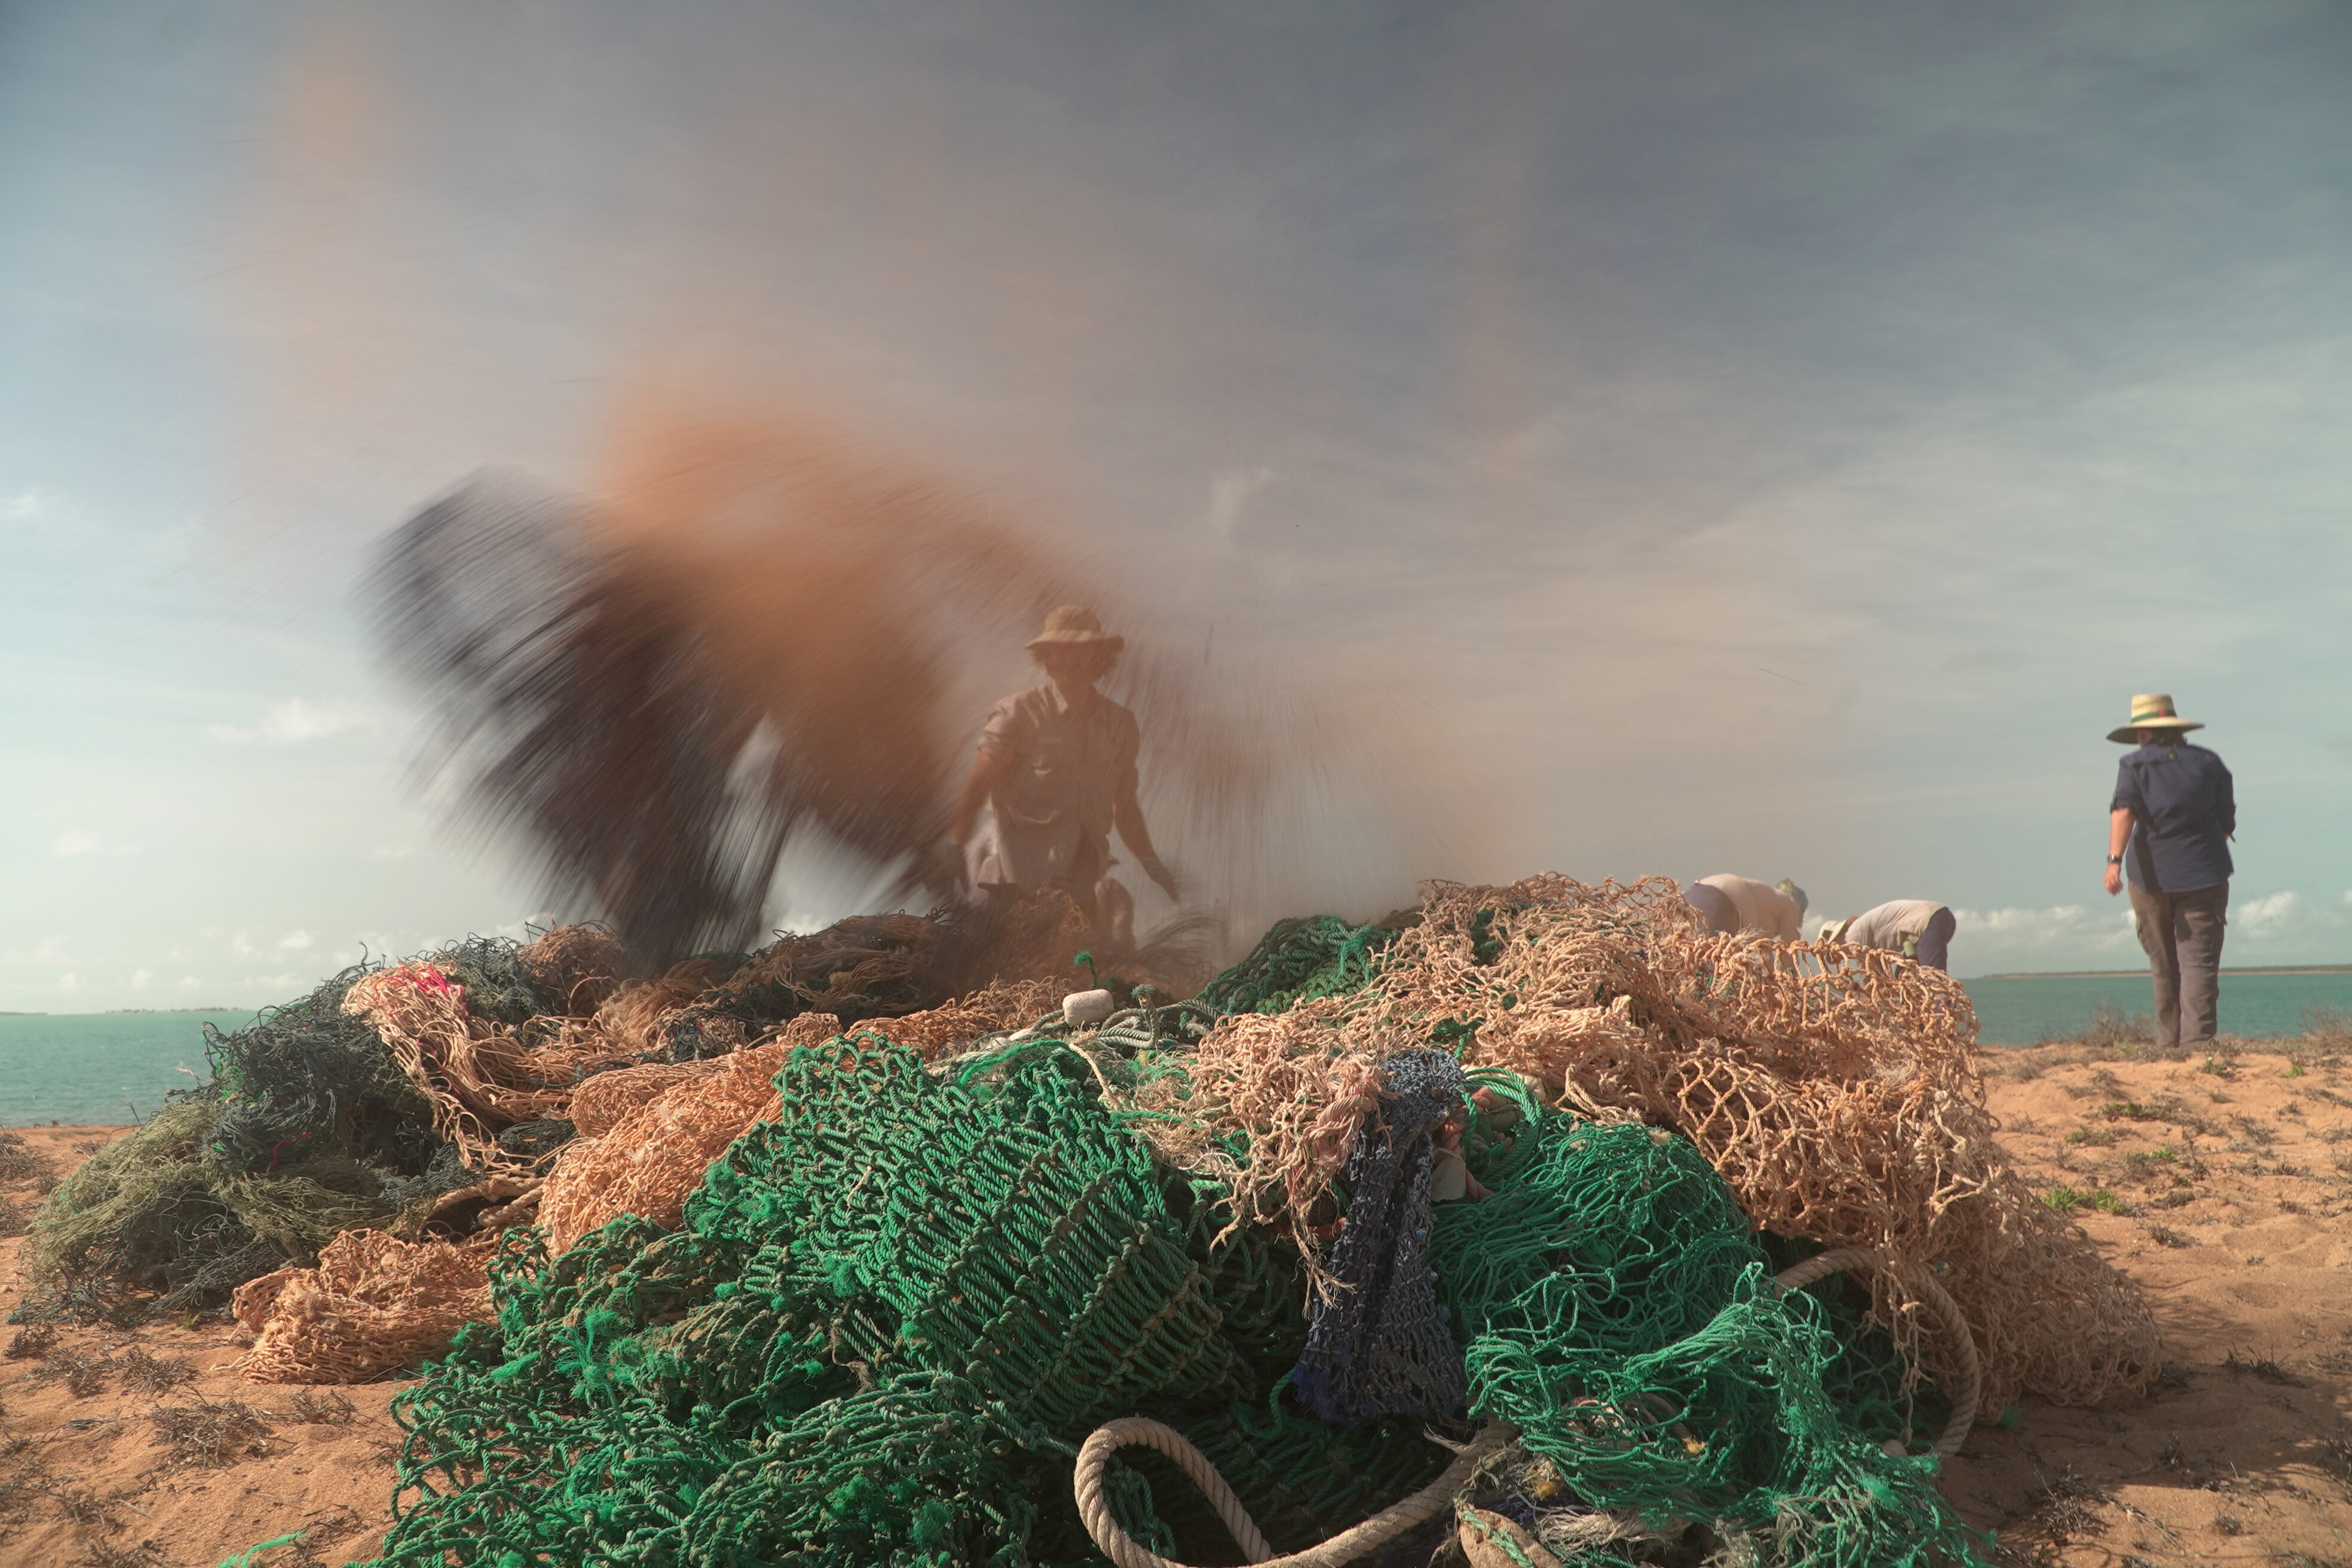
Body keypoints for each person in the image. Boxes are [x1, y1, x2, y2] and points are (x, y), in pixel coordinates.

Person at [947, 605, 1179, 951]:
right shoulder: (1018, 714)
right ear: (1047, 657)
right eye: (1061, 649)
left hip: (1080, 891)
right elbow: (979, 783)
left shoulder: (1120, 725)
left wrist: (1150, 861)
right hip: (1014, 891)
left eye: (1083, 649)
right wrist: (955, 845)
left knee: (1081, 987)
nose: (1071, 659)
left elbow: (1125, 806)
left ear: (1099, 657)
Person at [2103, 693, 2233, 1048]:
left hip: (2151, 877)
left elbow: (2124, 812)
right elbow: (2225, 824)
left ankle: (2167, 1045)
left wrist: (2114, 863)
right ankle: (2198, 1046)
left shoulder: (2134, 766)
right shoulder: (2210, 763)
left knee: (2164, 964)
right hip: (2205, 873)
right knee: (2200, 965)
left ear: (2143, 734)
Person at [1818, 901, 1956, 971]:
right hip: (1934, 923)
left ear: (1838, 938)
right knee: (1906, 975)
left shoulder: (1853, 935)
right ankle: (1922, 1023)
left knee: (1932, 979)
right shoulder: (1864, 931)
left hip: (1929, 921)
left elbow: (1871, 971)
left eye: (1833, 952)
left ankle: (1943, 1021)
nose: (1838, 958)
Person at [1684, 874, 1807, 939]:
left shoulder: (1765, 901)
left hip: (1696, 890)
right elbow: (1789, 951)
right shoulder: (1791, 905)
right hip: (1726, 896)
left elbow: (1766, 954)